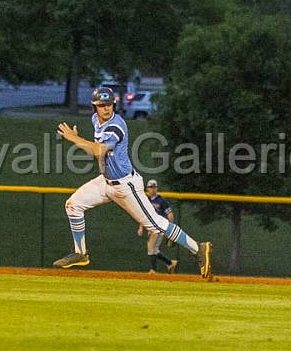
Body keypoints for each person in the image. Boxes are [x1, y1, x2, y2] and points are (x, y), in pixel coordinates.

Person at [53, 86, 212, 279]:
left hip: (126, 186)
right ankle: (81, 253)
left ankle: (198, 249)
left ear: (114, 104)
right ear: (94, 106)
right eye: (101, 105)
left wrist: (74, 138)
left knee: (155, 224)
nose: (106, 108)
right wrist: (83, 143)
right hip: (106, 183)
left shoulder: (116, 125)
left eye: (109, 104)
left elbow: (98, 151)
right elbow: (97, 150)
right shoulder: (95, 119)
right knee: (73, 205)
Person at [137, 179, 179, 273]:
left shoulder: (161, 200)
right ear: (147, 189)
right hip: (151, 228)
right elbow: (144, 215)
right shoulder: (146, 201)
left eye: (154, 187)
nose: (152, 189)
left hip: (159, 227)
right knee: (153, 249)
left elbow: (170, 214)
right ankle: (170, 263)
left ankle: (153, 270)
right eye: (150, 187)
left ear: (156, 188)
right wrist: (141, 227)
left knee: (151, 248)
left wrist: (170, 227)